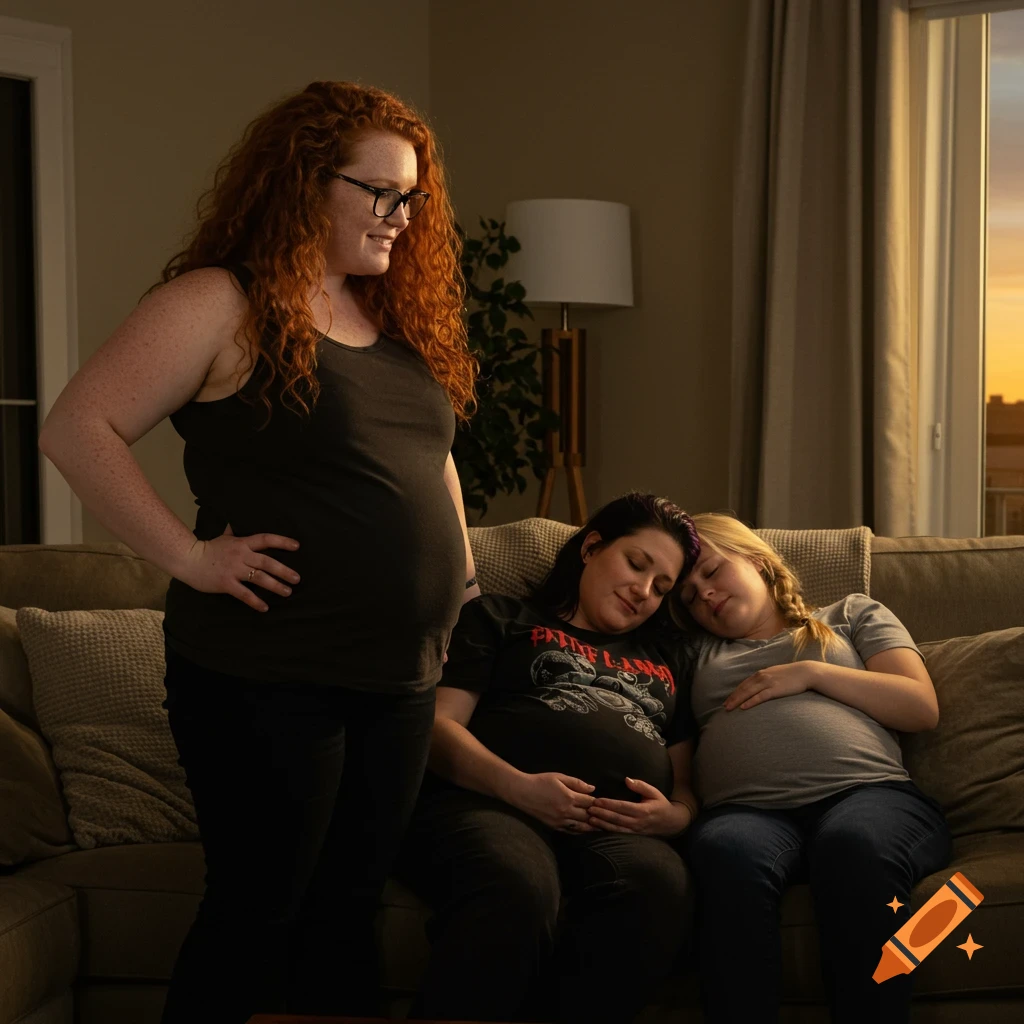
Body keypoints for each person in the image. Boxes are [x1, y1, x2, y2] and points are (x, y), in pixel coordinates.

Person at [38, 81, 481, 1024]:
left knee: (348, 914)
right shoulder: (220, 302)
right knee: (258, 914)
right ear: (305, 182)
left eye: (412, 198)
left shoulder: (392, 317)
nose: (401, 217)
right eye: (379, 192)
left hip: (400, 677)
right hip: (267, 670)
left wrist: (460, 576)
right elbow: (78, 428)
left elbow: (427, 454)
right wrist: (191, 558)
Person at [395, 492, 702, 1023]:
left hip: (617, 831)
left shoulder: (669, 657)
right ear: (591, 547)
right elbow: (439, 729)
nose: (643, 591)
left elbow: (686, 783)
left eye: (662, 588)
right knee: (518, 884)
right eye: (636, 564)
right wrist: (518, 787)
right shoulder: (500, 617)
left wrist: (676, 817)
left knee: (659, 886)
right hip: (494, 805)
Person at [675, 512, 952, 1024]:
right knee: (724, 851)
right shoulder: (694, 653)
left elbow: (920, 707)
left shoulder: (852, 613)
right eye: (689, 596)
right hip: (747, 812)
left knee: (854, 844)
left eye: (712, 571)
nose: (705, 594)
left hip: (869, 796)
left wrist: (810, 673)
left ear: (758, 561)